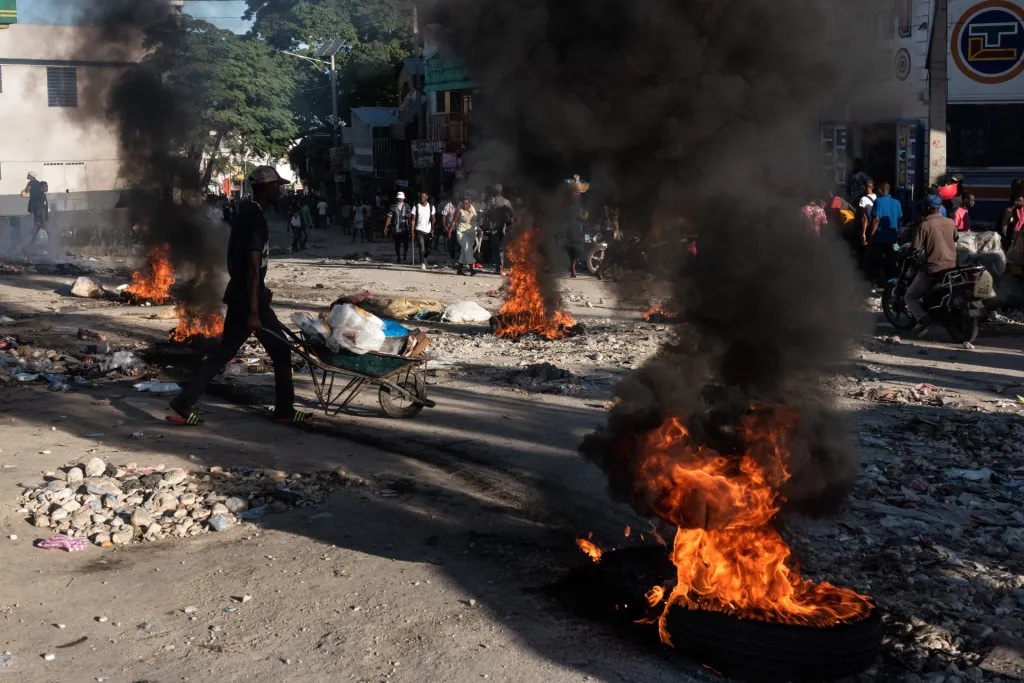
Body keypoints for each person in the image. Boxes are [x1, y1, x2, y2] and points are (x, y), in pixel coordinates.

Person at [168, 166, 311, 427]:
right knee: (281, 352)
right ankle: (284, 411)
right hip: (248, 298)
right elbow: (253, 266)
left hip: (241, 293)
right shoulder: (256, 218)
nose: (280, 190)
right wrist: (255, 310)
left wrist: (259, 289)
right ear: (267, 188)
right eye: (277, 186)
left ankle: (183, 401)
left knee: (224, 351)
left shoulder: (246, 212)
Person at [905, 194, 958, 338]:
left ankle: (924, 319)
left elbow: (915, 248)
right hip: (952, 266)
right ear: (939, 207)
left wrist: (905, 254)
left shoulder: (925, 225)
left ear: (927, 208)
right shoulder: (950, 222)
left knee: (910, 296)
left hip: (933, 267)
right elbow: (955, 238)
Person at [865, 181, 903, 287]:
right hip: (894, 240)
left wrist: (871, 237)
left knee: (874, 261)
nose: (877, 192)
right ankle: (892, 283)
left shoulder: (878, 202)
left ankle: (874, 284)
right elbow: (900, 219)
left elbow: (876, 219)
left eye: (878, 190)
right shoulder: (897, 202)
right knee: (895, 258)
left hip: (879, 240)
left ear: (881, 190)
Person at [564, 175, 590, 277]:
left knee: (578, 250)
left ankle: (573, 267)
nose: (577, 194)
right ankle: (572, 268)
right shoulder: (567, 202)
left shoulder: (581, 203)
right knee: (569, 248)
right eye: (575, 192)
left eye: (578, 193)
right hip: (568, 227)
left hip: (577, 228)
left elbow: (584, 215)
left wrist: (584, 217)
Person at [448, 195, 478, 276]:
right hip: (461, 232)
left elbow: (476, 217)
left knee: (464, 251)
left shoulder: (473, 208)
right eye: (463, 204)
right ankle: (471, 269)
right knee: (467, 248)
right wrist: (450, 231)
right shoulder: (460, 211)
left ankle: (459, 270)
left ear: (469, 204)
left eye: (466, 204)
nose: (464, 205)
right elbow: (454, 221)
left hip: (471, 232)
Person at [487, 184, 514, 275]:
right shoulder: (507, 202)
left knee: (496, 249)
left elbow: (487, 214)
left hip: (495, 228)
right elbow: (511, 216)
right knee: (502, 249)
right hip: (504, 229)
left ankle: (499, 268)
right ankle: (502, 268)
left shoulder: (492, 201)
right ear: (501, 191)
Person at [21, 171, 49, 251]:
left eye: (28, 175)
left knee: (37, 230)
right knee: (37, 230)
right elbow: (43, 208)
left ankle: (27, 247)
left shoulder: (31, 182)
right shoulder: (39, 188)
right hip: (38, 212)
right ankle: (28, 247)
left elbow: (26, 190)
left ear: (31, 176)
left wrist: (25, 192)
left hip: (36, 210)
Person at [383, 191, 413, 263]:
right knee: (397, 243)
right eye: (399, 198)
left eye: (401, 198)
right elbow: (389, 216)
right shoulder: (393, 206)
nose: (400, 199)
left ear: (403, 199)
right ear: (397, 198)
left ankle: (405, 256)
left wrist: (408, 216)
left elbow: (411, 215)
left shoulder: (407, 206)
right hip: (396, 228)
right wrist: (386, 226)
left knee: (406, 243)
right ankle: (398, 257)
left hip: (405, 227)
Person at [411, 192, 435, 270]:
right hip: (419, 229)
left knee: (430, 248)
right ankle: (422, 263)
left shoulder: (431, 207)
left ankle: (424, 257)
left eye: (424, 197)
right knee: (422, 247)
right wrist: (412, 231)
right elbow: (413, 220)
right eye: (421, 197)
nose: (422, 198)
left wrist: (433, 229)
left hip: (428, 230)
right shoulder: (416, 207)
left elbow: (433, 218)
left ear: (427, 197)